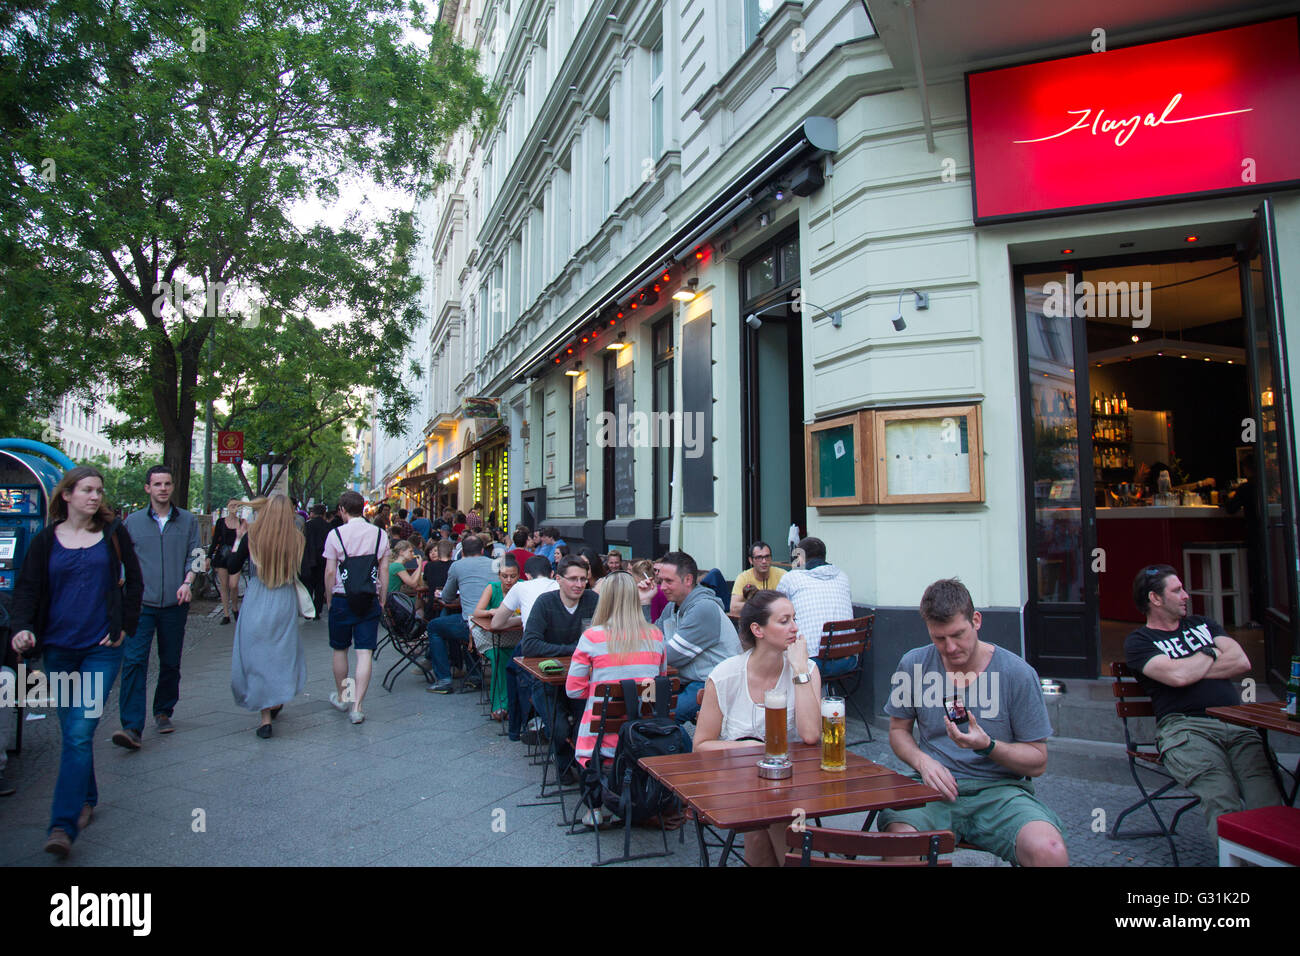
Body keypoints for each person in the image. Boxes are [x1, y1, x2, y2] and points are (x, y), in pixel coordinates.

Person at [879, 578, 1068, 867]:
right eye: (939, 638)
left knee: (1050, 850)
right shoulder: (913, 664)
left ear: (976, 620)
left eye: (958, 634)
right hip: (932, 790)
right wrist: (922, 761)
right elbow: (898, 730)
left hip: (1000, 792)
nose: (950, 647)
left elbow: (1037, 761)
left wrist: (988, 746)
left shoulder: (1017, 673)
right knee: (899, 843)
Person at [9, 466, 143, 858]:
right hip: (59, 649)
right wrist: (22, 628)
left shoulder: (114, 535)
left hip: (101, 648)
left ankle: (62, 826)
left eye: (99, 491)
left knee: (81, 730)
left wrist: (124, 627)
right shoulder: (45, 541)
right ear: (66, 495)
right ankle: (86, 796)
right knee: (72, 732)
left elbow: (134, 582)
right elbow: (27, 590)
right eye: (87, 490)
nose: (95, 497)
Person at [1125, 564, 1281, 845]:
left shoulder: (1204, 624)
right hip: (1186, 729)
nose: (1186, 595)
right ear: (1155, 599)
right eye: (1177, 590)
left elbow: (1241, 661)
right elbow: (1177, 675)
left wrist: (1191, 667)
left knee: (1267, 801)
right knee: (1221, 798)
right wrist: (1209, 651)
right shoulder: (1140, 641)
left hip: (1237, 725)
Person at [694, 590, 820, 865]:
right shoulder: (726, 675)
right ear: (757, 630)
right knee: (768, 816)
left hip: (792, 782)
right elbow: (701, 746)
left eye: (794, 619)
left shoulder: (806, 669)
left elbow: (811, 735)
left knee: (772, 814)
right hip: (736, 782)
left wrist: (799, 670)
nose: (795, 628)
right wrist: (746, 748)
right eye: (784, 620)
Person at [565, 571, 668, 824]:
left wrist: (601, 686)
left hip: (601, 739)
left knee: (585, 723)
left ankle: (595, 810)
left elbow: (573, 690)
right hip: (642, 733)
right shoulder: (656, 635)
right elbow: (658, 682)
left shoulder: (591, 637)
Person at [114, 465, 200, 749]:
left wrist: (188, 581)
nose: (163, 489)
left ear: (173, 487)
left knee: (171, 661)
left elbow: (197, 555)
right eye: (157, 484)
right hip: (140, 604)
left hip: (175, 603)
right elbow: (123, 561)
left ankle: (164, 710)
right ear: (147, 488)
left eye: (167, 484)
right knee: (135, 661)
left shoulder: (187, 521)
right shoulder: (132, 523)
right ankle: (131, 726)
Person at [223, 495, 307, 739]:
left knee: (257, 657)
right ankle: (277, 697)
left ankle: (265, 717)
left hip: (257, 598)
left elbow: (232, 566)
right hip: (283, 599)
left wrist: (239, 539)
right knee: (280, 654)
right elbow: (302, 570)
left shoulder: (253, 536)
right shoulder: (297, 539)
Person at [520, 555, 599, 779]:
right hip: (547, 680)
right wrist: (575, 649)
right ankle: (564, 767)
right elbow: (530, 644)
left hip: (582, 679)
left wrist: (573, 650)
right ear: (558, 579)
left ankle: (585, 769)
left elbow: (603, 638)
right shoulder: (545, 603)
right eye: (573, 578)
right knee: (560, 728)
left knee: (586, 724)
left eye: (583, 579)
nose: (578, 584)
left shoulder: (593, 600)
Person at [323, 490, 390, 725]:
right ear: (363, 508)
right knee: (364, 652)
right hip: (369, 597)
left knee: (340, 649)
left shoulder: (335, 535)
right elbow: (383, 571)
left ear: (342, 509)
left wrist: (329, 599)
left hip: (342, 597)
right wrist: (381, 598)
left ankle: (344, 697)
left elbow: (330, 571)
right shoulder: (380, 535)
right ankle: (358, 707)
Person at [654, 551, 740, 724]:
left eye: (669, 581)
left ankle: (688, 751)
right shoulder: (671, 607)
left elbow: (670, 656)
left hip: (714, 682)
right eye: (660, 581)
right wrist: (645, 602)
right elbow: (648, 637)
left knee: (665, 715)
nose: (662, 587)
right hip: (688, 680)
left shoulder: (703, 608)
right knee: (646, 706)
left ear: (688, 580)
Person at [492, 554, 561, 740]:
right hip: (562, 645)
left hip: (533, 646)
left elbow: (497, 623)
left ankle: (517, 729)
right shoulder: (560, 586)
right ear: (553, 573)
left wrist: (523, 621)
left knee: (512, 669)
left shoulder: (521, 587)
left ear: (527, 575)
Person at [425, 534, 496, 694]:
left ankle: (444, 679)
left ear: (462, 552)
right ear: (483, 550)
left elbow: (448, 597)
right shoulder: (495, 565)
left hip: (471, 624)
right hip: (495, 622)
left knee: (434, 627)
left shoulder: (457, 566)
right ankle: (475, 675)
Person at [776, 536, 855, 678]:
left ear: (801, 557)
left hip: (810, 663)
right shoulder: (843, 576)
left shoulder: (792, 578)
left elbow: (776, 611)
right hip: (848, 660)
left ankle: (785, 696)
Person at [470, 557, 521, 721]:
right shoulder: (492, 588)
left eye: (512, 576)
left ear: (518, 576)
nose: (508, 580)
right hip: (491, 638)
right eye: (505, 576)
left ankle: (516, 704)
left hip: (515, 636)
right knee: (498, 658)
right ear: (499, 575)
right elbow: (477, 612)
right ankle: (500, 704)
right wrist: (491, 612)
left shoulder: (521, 588)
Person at [729, 540, 786, 615]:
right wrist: (761, 604)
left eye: (767, 557)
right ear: (750, 560)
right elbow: (734, 608)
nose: (764, 561)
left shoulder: (783, 575)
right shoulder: (743, 577)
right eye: (759, 557)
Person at [209, 499, 243, 624]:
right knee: (223, 586)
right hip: (222, 556)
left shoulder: (242, 522)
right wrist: (209, 556)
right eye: (231, 505)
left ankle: (234, 607)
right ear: (227, 506)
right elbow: (215, 541)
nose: (233, 507)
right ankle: (226, 614)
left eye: (236, 505)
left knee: (233, 585)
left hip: (236, 557)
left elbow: (243, 540)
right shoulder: (220, 522)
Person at [301, 504, 332, 619]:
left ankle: (308, 610)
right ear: (324, 513)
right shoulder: (328, 527)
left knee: (308, 585)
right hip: (323, 559)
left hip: (309, 558)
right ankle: (317, 610)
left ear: (313, 513)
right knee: (320, 585)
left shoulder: (307, 525)